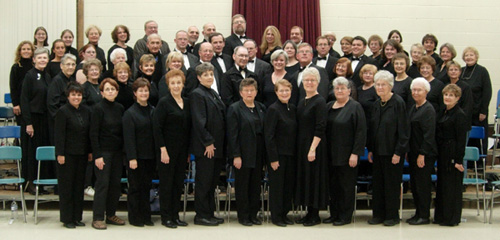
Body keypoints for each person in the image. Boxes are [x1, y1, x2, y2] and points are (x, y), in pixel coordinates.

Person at [367, 70, 409, 226]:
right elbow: (373, 129)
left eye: (383, 84)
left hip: (393, 152)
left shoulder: (398, 103)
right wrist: (371, 149)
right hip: (378, 152)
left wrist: (399, 151)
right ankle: (378, 214)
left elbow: (404, 130)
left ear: (390, 86)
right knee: (378, 185)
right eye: (377, 84)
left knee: (391, 185)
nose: (380, 87)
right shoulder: (376, 104)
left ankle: (392, 216)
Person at [324, 77, 366, 226]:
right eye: (337, 88)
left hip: (348, 155)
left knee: (346, 186)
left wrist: (355, 153)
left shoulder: (355, 107)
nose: (340, 91)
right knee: (333, 185)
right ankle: (334, 213)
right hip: (330, 154)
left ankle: (345, 216)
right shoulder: (329, 106)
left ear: (349, 91)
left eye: (343, 88)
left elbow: (361, 132)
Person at [153, 70, 191, 228]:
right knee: (167, 184)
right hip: (166, 151)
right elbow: (157, 127)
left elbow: (188, 128)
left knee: (177, 184)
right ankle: (166, 217)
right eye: (173, 83)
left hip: (182, 151)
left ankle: (175, 215)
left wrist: (188, 151)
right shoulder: (164, 102)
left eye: (178, 83)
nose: (176, 86)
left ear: (183, 84)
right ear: (168, 85)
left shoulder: (187, 102)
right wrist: (162, 149)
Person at [190, 63, 226, 226]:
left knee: (212, 182)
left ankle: (209, 213)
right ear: (198, 77)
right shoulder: (197, 94)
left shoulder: (212, 93)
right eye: (206, 75)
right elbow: (199, 122)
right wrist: (208, 142)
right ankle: (201, 215)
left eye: (211, 74)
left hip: (217, 146)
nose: (210, 77)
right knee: (204, 182)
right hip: (206, 147)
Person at [227, 78, 266, 226]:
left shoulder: (261, 107)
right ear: (241, 92)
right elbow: (232, 134)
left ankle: (253, 214)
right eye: (246, 90)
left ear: (256, 92)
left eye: (252, 90)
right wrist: (236, 155)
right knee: (243, 186)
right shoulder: (235, 108)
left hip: (258, 153)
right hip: (242, 154)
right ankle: (243, 216)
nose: (249, 93)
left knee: (255, 185)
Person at [294, 67, 328, 226]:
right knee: (306, 178)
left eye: (312, 80)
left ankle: (315, 214)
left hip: (315, 146)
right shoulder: (302, 101)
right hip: (302, 145)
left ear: (318, 83)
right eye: (306, 80)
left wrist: (312, 148)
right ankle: (308, 212)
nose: (309, 83)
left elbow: (320, 127)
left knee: (314, 178)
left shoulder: (320, 101)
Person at [55, 82, 91, 229]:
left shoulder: (86, 111)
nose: (76, 97)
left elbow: (88, 134)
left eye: (79, 94)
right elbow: (59, 135)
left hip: (82, 154)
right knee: (67, 187)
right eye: (73, 95)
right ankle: (67, 218)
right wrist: (60, 153)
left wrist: (89, 152)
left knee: (78, 187)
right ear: (68, 96)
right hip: (67, 155)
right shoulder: (62, 112)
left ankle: (77, 217)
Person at [90, 78, 125, 230]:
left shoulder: (120, 108)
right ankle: (98, 217)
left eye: (113, 89)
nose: (111, 92)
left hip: (117, 152)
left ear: (117, 92)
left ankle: (111, 214)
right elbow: (93, 134)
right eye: (107, 89)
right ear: (102, 92)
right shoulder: (98, 109)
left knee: (115, 185)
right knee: (102, 184)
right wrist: (97, 155)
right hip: (103, 153)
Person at [122, 78, 155, 227]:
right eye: (140, 90)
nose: (144, 93)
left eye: (146, 90)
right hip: (136, 157)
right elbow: (129, 138)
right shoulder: (130, 113)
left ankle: (146, 215)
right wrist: (132, 158)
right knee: (135, 188)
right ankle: (135, 217)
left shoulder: (153, 110)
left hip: (150, 156)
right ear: (135, 93)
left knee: (147, 187)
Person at [264, 79, 297, 227]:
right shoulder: (273, 109)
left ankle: (284, 214)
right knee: (277, 187)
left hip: (291, 155)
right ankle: (276, 216)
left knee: (288, 186)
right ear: (276, 93)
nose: (284, 93)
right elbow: (269, 136)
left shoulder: (292, 108)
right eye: (281, 91)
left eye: (287, 90)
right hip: (277, 156)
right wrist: (273, 158)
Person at [434, 84, 467, 227]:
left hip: (453, 152)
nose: (447, 97)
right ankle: (441, 216)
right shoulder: (443, 111)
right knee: (443, 185)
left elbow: (461, 140)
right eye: (446, 95)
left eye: (451, 95)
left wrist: (458, 160)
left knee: (451, 186)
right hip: (443, 152)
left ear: (457, 98)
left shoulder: (460, 114)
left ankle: (451, 218)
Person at [20, 48, 52, 195]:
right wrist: (28, 123)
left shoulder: (47, 76)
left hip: (44, 119)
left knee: (42, 150)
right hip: (32, 120)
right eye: (39, 58)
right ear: (34, 60)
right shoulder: (30, 76)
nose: (42, 60)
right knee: (31, 152)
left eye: (45, 58)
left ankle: (41, 181)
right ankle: (30, 182)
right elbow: (24, 101)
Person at [406, 78, 437, 225]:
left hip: (424, 154)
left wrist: (422, 154)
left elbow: (429, 135)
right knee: (415, 185)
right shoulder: (413, 107)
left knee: (423, 185)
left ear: (426, 92)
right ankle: (418, 212)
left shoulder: (428, 110)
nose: (415, 92)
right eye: (414, 90)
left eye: (419, 90)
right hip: (413, 152)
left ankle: (424, 215)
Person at [461, 46, 491, 154]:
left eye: (471, 55)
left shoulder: (482, 71)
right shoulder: (461, 71)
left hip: (478, 111)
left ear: (476, 56)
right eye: (466, 55)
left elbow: (487, 92)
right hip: (465, 112)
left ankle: (478, 162)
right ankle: (467, 161)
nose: (469, 57)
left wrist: (483, 111)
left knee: (478, 138)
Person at [9, 42, 34, 172]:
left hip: (33, 107)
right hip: (21, 107)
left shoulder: (35, 66)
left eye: (28, 49)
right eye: (23, 49)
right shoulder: (16, 67)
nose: (26, 51)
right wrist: (16, 104)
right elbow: (13, 87)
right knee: (25, 140)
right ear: (20, 51)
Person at [47, 54, 78, 143]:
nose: (71, 67)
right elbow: (52, 104)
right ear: (61, 66)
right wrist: (61, 121)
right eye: (68, 64)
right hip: (59, 122)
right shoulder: (57, 81)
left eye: (73, 64)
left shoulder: (72, 80)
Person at [445, 61, 473, 133]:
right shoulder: (445, 86)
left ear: (460, 72)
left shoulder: (465, 87)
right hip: (448, 123)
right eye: (451, 70)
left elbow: (467, 107)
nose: (453, 72)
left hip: (461, 123)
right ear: (447, 72)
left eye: (456, 69)